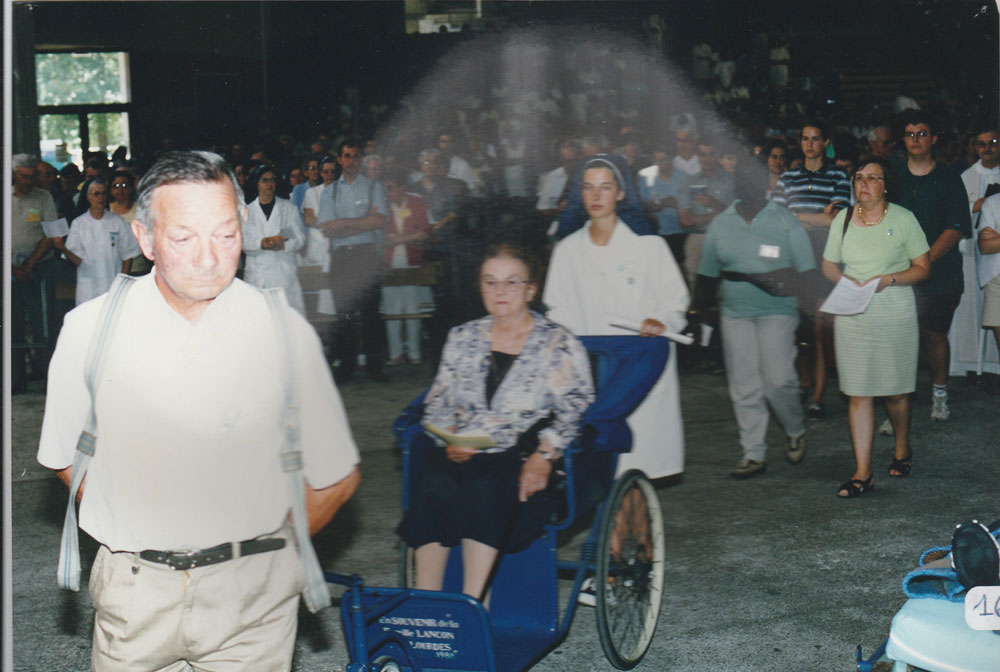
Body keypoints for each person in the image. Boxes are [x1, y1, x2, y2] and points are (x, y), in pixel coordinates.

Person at [37, 150, 361, 669]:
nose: (209, 257)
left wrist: (269, 553)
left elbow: (335, 477)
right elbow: (61, 455)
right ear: (144, 237)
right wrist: (134, 518)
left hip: (251, 603)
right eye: (184, 237)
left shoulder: (282, 331)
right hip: (134, 596)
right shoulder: (89, 330)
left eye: (226, 234)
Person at [397, 243, 594, 604]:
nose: (500, 291)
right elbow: (438, 400)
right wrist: (449, 439)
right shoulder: (462, 337)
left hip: (519, 457)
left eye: (511, 282)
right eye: (490, 282)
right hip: (463, 450)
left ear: (531, 289)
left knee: (484, 485)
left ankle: (475, 604)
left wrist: (544, 455)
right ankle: (425, 602)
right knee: (432, 483)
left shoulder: (558, 343)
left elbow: (576, 406)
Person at [544, 155, 689, 479]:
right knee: (594, 469)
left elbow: (675, 301)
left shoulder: (650, 247)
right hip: (590, 364)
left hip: (637, 364)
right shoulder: (567, 250)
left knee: (634, 466)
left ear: (621, 193)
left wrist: (661, 322)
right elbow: (557, 309)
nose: (596, 196)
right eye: (588, 188)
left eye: (605, 187)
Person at [687, 160, 815, 477]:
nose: (747, 186)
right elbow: (706, 276)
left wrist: (808, 315)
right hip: (735, 313)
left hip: (778, 310)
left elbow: (808, 272)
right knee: (744, 384)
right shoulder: (721, 224)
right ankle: (753, 451)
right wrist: (695, 314)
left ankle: (795, 429)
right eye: (740, 180)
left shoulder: (785, 220)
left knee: (778, 379)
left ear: (765, 186)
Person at [821, 158, 930, 497]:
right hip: (852, 313)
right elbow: (828, 265)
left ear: (886, 185)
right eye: (858, 178)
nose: (863, 184)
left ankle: (901, 448)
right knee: (858, 392)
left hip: (894, 310)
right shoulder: (842, 219)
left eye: (872, 178)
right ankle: (863, 472)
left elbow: (922, 267)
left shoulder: (903, 219)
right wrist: (845, 281)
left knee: (896, 391)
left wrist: (889, 279)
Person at [892, 110, 972, 421]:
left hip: (940, 272)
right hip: (900, 272)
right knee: (900, 337)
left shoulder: (950, 177)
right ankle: (896, 400)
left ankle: (940, 396)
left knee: (934, 335)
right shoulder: (895, 175)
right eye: (910, 134)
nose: (915, 139)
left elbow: (955, 228)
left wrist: (922, 260)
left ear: (934, 139)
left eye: (921, 133)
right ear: (903, 139)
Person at [772, 120, 852, 420]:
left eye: (815, 139)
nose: (809, 144)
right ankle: (805, 379)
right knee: (795, 325)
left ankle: (818, 395)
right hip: (793, 259)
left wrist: (798, 216)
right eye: (805, 139)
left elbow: (837, 219)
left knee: (819, 328)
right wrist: (816, 217)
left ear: (825, 142)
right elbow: (779, 218)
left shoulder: (838, 175)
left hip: (823, 258)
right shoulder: (789, 177)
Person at [318, 139, 389, 382]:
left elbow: (379, 221)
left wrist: (344, 223)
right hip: (341, 257)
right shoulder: (329, 192)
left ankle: (374, 366)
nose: (351, 161)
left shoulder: (373, 187)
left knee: (370, 313)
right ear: (339, 159)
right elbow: (328, 229)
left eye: (355, 156)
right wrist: (362, 222)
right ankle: (346, 367)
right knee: (344, 313)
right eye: (347, 156)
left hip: (367, 255)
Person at [11, 153, 58, 392]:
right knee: (12, 323)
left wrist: (28, 265)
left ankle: (46, 375)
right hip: (9, 269)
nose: (28, 182)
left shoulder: (44, 197)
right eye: (23, 177)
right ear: (13, 174)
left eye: (32, 177)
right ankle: (15, 378)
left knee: (43, 322)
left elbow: (52, 235)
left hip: (38, 267)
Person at [52, 178, 140, 305]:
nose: (101, 198)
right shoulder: (79, 224)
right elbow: (77, 260)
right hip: (88, 289)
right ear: (88, 197)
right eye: (96, 194)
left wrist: (122, 282)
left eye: (104, 193)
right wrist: (62, 248)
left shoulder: (117, 222)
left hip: (113, 285)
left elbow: (128, 255)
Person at [242, 163, 307, 314]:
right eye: (264, 180)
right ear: (256, 183)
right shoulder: (247, 211)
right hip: (258, 276)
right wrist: (262, 243)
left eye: (272, 180)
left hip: (282, 275)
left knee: (287, 323)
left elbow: (300, 239)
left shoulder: (288, 208)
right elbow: (242, 241)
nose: (269, 184)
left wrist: (283, 245)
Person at [382, 171, 432, 365]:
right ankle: (395, 354)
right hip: (389, 263)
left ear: (402, 188)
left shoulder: (417, 203)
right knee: (391, 310)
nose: (387, 192)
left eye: (390, 188)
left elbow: (425, 232)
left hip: (412, 262)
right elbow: (379, 236)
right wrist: (388, 241)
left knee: (412, 309)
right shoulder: (382, 205)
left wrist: (402, 239)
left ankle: (414, 353)